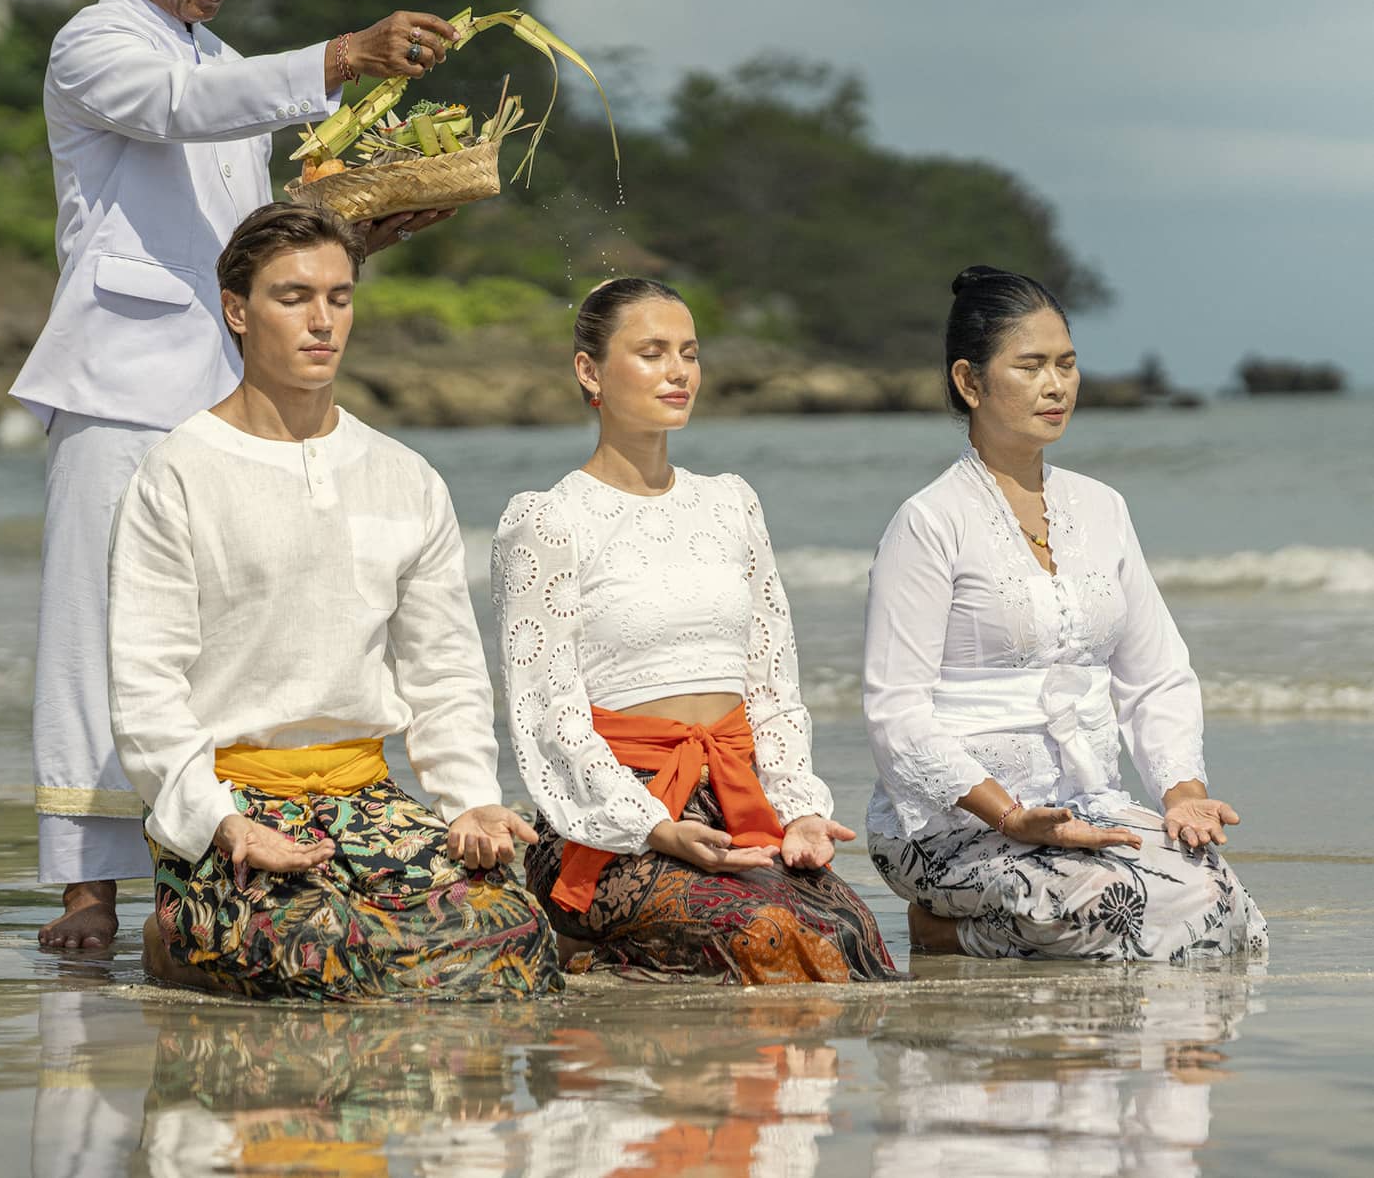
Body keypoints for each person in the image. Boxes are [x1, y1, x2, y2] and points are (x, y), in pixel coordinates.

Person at [11, 0, 462, 950]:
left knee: (216, 635)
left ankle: (198, 850)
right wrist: (345, 55)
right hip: (123, 385)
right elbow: (178, 107)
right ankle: (84, 891)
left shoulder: (225, 62)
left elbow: (245, 242)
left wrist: (357, 234)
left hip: (228, 394)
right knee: (95, 634)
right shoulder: (95, 44)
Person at [107, 201, 561, 1001]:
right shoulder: (177, 473)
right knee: (324, 954)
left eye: (339, 297)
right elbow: (146, 685)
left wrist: (471, 802)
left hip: (365, 797)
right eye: (293, 297)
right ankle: (172, 931)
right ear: (237, 311)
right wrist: (219, 822)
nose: (322, 321)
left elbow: (442, 667)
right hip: (231, 804)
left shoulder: (404, 474)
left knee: (512, 933)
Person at [491, 277, 897, 983]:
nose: (678, 371)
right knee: (765, 934)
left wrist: (799, 809)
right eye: (651, 352)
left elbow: (771, 683)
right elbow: (546, 713)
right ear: (589, 371)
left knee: (846, 934)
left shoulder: (730, 503)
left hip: (734, 798)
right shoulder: (549, 519)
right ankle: (595, 955)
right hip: (613, 819)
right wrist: (653, 827)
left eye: (689, 352)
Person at [862, 265, 1268, 961]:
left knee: (1225, 908)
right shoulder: (929, 522)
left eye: (1067, 364)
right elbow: (896, 712)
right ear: (970, 382)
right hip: (952, 821)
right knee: (1114, 911)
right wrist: (1013, 816)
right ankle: (946, 932)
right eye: (1032, 366)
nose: (1057, 385)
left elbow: (1156, 674)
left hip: (1083, 807)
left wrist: (1182, 793)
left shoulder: (1102, 508)